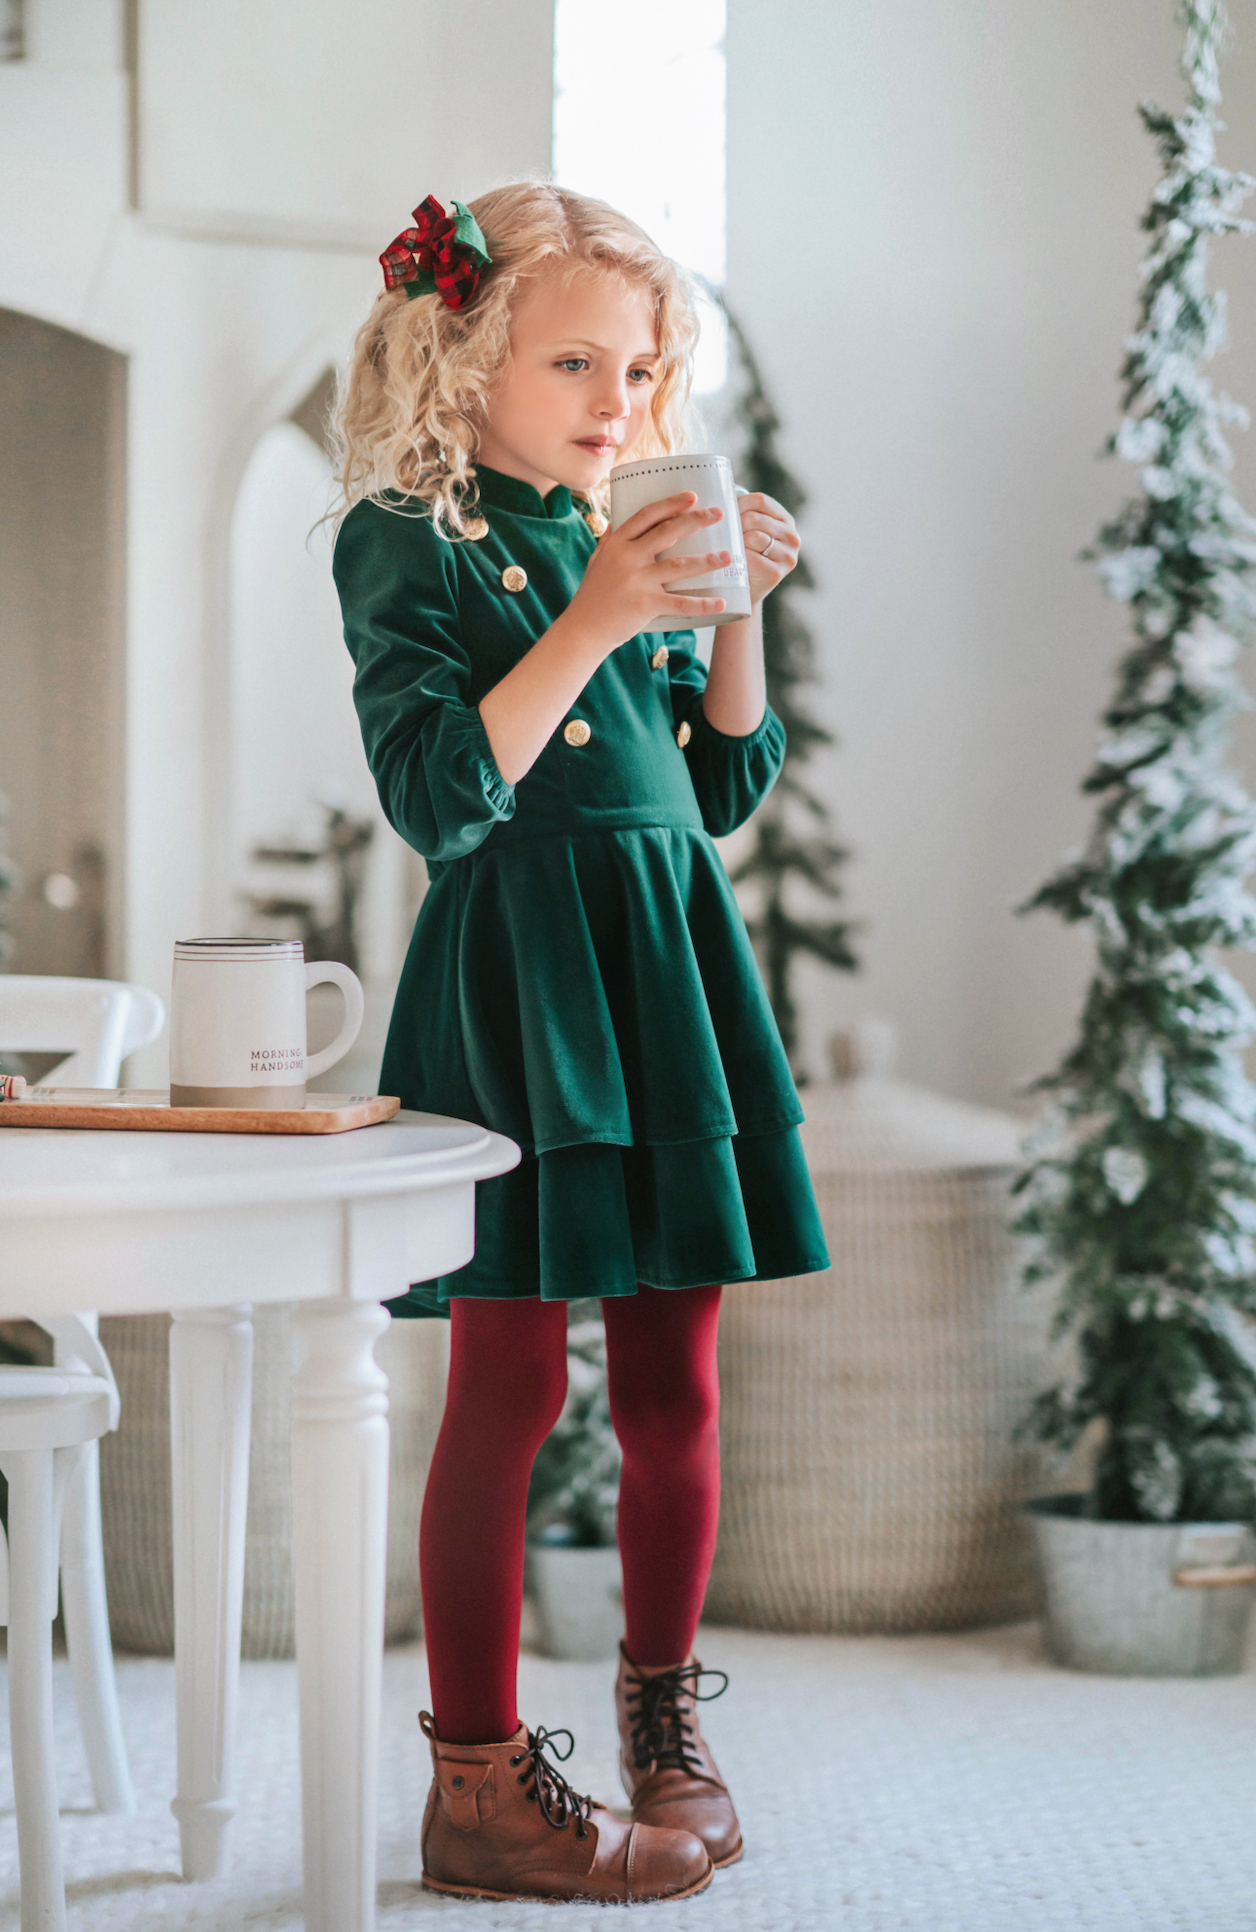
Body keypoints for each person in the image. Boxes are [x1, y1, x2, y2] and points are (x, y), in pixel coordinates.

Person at [331, 182, 830, 1906]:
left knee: (677, 1376)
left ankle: (662, 1728)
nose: (619, 404)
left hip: (667, 970)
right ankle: (475, 1777)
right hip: (519, 981)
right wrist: (606, 613)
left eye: (640, 369)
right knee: (513, 1381)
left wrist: (731, 614)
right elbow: (442, 794)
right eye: (575, 362)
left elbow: (711, 791)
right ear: (459, 351)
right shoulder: (413, 532)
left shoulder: (614, 525)